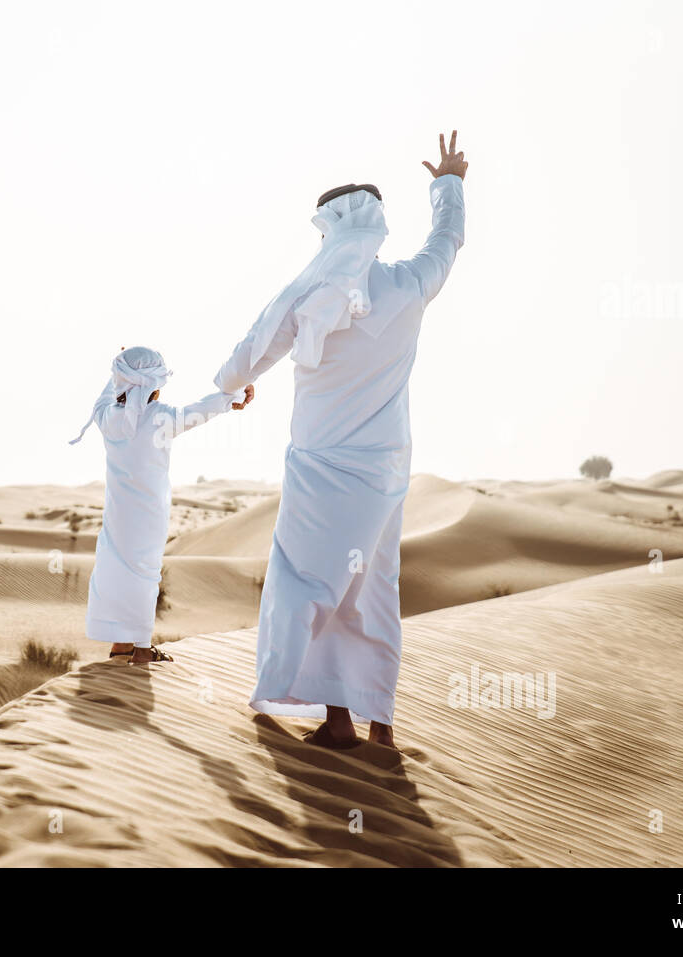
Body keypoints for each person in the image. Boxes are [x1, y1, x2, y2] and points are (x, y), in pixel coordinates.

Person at [213, 131, 468, 747]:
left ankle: (337, 721)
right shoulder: (408, 286)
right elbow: (447, 242)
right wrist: (449, 183)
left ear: (328, 230)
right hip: (384, 471)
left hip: (319, 467)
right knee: (374, 585)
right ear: (378, 228)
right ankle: (379, 725)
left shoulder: (306, 293)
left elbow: (252, 349)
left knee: (309, 581)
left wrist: (232, 387)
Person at [71, 346, 254, 663]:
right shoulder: (163, 418)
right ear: (155, 384)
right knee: (144, 575)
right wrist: (234, 393)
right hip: (149, 516)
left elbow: (102, 398)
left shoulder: (108, 418)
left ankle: (121, 645)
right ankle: (141, 649)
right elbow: (202, 410)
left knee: (114, 571)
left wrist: (118, 370)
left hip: (117, 516)